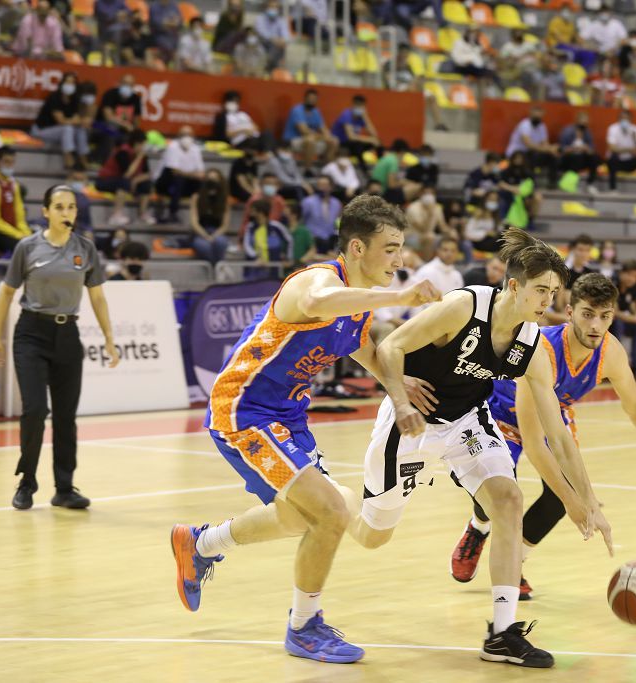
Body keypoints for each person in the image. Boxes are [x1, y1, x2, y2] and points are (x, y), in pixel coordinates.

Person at [170, 195, 440, 663]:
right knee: (332, 514)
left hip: (288, 416)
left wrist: (398, 386)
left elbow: (366, 351)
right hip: (245, 409)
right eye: (391, 247)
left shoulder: (358, 307)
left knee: (300, 518)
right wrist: (400, 296)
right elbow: (318, 303)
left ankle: (200, 544)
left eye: (401, 248)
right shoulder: (316, 282)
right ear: (357, 248)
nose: (400, 258)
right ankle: (304, 627)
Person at [341, 227, 614, 669]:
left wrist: (587, 501)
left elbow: (558, 436)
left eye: (554, 292)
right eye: (541, 290)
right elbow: (391, 346)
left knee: (508, 498)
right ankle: (341, 505)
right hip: (410, 421)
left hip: (466, 422)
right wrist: (398, 397)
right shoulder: (464, 306)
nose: (549, 301)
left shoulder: (532, 344)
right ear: (513, 286)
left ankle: (502, 634)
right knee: (373, 535)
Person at [450, 274, 636, 596]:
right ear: (569, 312)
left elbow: (634, 402)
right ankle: (478, 528)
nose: (596, 325)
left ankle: (517, 563)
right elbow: (534, 444)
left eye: (605, 316)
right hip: (499, 413)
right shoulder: (541, 350)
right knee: (501, 495)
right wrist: (576, 502)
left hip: (553, 415)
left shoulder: (610, 351)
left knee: (558, 497)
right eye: (587, 314)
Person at [0, 184, 121, 510]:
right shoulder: (27, 247)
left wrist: (108, 338)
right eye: (59, 207)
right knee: (34, 410)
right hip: (31, 334)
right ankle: (27, 482)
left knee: (66, 416)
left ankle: (64, 488)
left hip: (68, 336)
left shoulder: (85, 249)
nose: (66, 213)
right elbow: (6, 293)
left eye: (71, 207)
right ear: (46, 211)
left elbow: (98, 297)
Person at [31, 72, 90, 171]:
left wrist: (75, 121)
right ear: (62, 83)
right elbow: (61, 121)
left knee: (80, 130)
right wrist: (74, 121)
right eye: (67, 82)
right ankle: (68, 159)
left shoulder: (74, 99)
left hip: (60, 131)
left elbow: (78, 119)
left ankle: (83, 158)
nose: (69, 85)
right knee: (67, 129)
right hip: (42, 130)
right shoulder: (54, 97)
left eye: (72, 83)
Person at [95, 130, 153, 226]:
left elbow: (148, 174)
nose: (144, 147)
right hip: (105, 180)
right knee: (124, 182)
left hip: (126, 181)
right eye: (142, 144)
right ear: (136, 143)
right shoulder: (123, 152)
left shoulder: (143, 155)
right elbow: (126, 174)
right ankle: (115, 215)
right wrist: (139, 158)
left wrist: (135, 180)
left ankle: (142, 214)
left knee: (146, 184)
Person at [0, 147, 31, 254]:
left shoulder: (14, 184)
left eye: (12, 162)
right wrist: (17, 234)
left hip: (13, 231)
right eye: (6, 162)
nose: (9, 165)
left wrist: (25, 232)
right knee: (24, 248)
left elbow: (19, 214)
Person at [154, 126, 204, 222]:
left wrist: (192, 175)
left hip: (184, 184)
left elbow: (201, 172)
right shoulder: (172, 146)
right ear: (178, 136)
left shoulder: (196, 149)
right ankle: (173, 212)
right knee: (178, 178)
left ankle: (202, 216)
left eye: (189, 135)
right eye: (183, 135)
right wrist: (192, 174)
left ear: (193, 136)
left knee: (203, 182)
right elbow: (174, 171)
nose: (186, 137)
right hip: (165, 183)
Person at [92, 74, 142, 163]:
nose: (127, 87)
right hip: (100, 125)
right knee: (111, 130)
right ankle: (101, 161)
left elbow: (136, 122)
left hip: (122, 130)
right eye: (125, 83)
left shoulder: (136, 99)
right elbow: (108, 117)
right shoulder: (110, 94)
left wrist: (134, 131)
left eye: (130, 85)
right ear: (119, 83)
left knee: (134, 137)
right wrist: (125, 124)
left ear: (133, 86)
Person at [505, 106, 559, 187]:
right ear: (531, 114)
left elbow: (545, 143)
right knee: (532, 156)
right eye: (536, 114)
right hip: (517, 153)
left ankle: (552, 183)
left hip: (532, 153)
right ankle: (531, 184)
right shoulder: (525, 125)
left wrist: (551, 149)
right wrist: (547, 149)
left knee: (552, 156)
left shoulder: (542, 126)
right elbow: (528, 144)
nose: (538, 117)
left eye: (539, 115)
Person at [282, 89, 339, 166]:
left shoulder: (316, 112)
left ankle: (327, 169)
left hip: (313, 137)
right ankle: (307, 170)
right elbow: (304, 131)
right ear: (305, 98)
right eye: (310, 98)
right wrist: (323, 137)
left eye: (314, 99)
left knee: (334, 141)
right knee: (310, 141)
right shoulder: (297, 110)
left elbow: (323, 128)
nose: (312, 101)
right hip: (293, 139)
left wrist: (328, 136)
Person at [189, 169, 231, 265]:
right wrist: (206, 236)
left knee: (221, 242)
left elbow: (225, 225)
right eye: (210, 179)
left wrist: (214, 236)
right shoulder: (196, 197)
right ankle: (217, 267)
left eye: (215, 179)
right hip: (200, 232)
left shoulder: (225, 199)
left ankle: (219, 266)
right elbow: (194, 222)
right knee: (202, 245)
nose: (212, 182)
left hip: (217, 231)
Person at [606, 108, 636, 194]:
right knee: (612, 157)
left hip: (631, 161)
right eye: (622, 118)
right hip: (618, 161)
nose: (624, 120)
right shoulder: (613, 128)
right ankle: (613, 189)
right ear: (619, 119)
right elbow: (612, 148)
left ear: (630, 119)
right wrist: (630, 150)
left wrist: (635, 140)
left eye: (626, 118)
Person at [330, 95, 381, 171]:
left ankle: (381, 165)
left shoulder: (361, 117)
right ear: (353, 105)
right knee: (358, 146)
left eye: (362, 106)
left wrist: (366, 117)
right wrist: (369, 139)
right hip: (341, 142)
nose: (360, 108)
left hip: (353, 143)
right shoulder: (346, 115)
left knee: (378, 143)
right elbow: (351, 137)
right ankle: (364, 170)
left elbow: (374, 134)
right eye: (358, 105)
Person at [411, 235, 463, 307]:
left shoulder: (457, 275)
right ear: (437, 251)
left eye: (453, 251)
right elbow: (420, 303)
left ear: (457, 252)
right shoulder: (427, 271)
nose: (449, 254)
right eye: (445, 250)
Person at [558, 111, 601, 192]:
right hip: (568, 158)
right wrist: (574, 148)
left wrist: (586, 148)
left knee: (594, 158)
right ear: (576, 120)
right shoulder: (567, 131)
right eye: (582, 121)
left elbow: (591, 150)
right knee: (576, 158)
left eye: (586, 122)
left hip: (582, 158)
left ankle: (590, 184)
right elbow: (561, 149)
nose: (584, 124)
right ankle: (570, 183)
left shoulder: (587, 132)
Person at [241, 198, 293, 264]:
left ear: (261, 212)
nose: (250, 211)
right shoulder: (250, 227)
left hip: (274, 267)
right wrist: (256, 257)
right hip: (254, 266)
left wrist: (288, 257)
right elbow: (246, 244)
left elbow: (289, 240)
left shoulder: (276, 226)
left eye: (253, 210)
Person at [239, 172, 289, 240]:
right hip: (256, 234)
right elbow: (246, 222)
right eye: (268, 183)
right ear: (261, 184)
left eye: (273, 184)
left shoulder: (280, 201)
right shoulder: (254, 200)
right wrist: (241, 239)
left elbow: (285, 220)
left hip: (274, 234)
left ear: (278, 186)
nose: (271, 186)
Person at [300, 176, 342, 254]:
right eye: (320, 185)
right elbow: (302, 221)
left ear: (331, 187)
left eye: (325, 186)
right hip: (312, 241)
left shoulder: (336, 203)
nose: (322, 188)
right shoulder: (308, 202)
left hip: (330, 240)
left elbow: (336, 221)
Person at [254, 0, 289, 69]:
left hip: (276, 46)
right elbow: (261, 32)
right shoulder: (260, 18)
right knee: (268, 43)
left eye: (276, 7)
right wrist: (273, 39)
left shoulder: (281, 20)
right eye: (272, 7)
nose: (273, 9)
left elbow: (286, 36)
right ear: (267, 7)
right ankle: (268, 64)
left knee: (278, 46)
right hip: (263, 43)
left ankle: (268, 64)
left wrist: (283, 40)